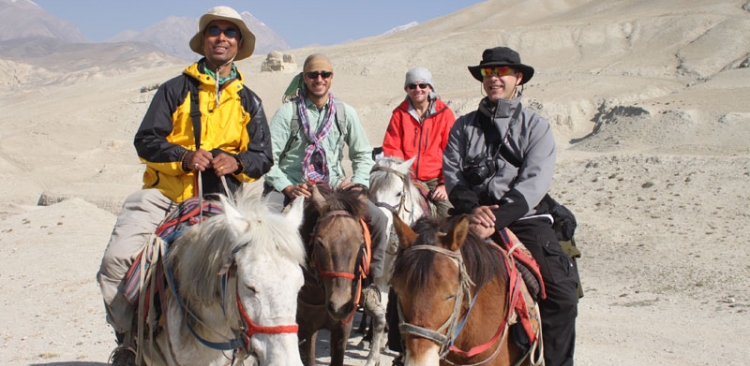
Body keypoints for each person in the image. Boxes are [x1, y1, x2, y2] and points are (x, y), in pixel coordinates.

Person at [96, 6, 272, 366]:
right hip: (165, 196)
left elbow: (263, 156)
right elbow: (146, 140)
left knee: (267, 268)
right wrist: (184, 157)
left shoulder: (249, 101)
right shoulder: (174, 89)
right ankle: (129, 340)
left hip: (224, 203)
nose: (221, 37)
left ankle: (252, 344)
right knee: (116, 262)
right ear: (203, 41)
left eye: (230, 32)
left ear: (238, 43)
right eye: (214, 30)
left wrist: (237, 162)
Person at [443, 47, 579, 366]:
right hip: (469, 216)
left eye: (502, 72)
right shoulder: (463, 127)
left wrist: (497, 218)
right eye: (488, 72)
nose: (495, 78)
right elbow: (452, 173)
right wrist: (473, 210)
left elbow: (535, 180)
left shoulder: (536, 127)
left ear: (518, 78)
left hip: (523, 218)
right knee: (416, 267)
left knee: (562, 295)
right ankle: (406, 352)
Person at [263, 53, 388, 288]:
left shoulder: (344, 112)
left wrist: (359, 183)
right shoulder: (287, 113)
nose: (319, 79)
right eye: (313, 74)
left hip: (333, 186)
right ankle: (267, 285)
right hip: (294, 183)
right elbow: (268, 158)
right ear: (305, 78)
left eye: (325, 74)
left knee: (379, 219)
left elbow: (362, 154)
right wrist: (288, 187)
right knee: (265, 223)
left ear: (331, 78)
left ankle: (373, 284)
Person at [381, 67, 456, 218]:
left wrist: (444, 184)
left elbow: (452, 151)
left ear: (430, 88)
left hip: (436, 179)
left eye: (422, 85)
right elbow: (392, 148)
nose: (418, 89)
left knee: (447, 214)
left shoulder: (444, 114)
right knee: (389, 211)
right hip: (408, 178)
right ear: (406, 89)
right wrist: (403, 177)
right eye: (412, 86)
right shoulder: (399, 114)